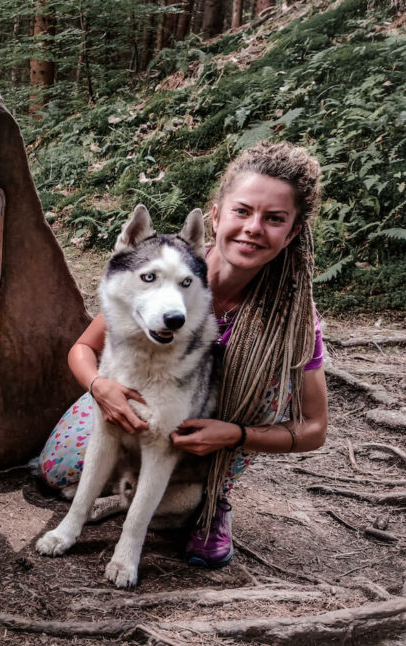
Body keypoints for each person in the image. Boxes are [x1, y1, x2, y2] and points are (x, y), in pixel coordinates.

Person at [38, 141, 328, 568]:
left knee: (268, 372)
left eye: (274, 219)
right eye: (243, 211)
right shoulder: (168, 263)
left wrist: (235, 434)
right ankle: (122, 493)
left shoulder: (295, 319)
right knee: (60, 471)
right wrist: (101, 388)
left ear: (293, 231)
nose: (253, 227)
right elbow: (84, 347)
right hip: (128, 389)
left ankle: (213, 498)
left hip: (212, 423)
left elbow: (315, 428)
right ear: (216, 215)